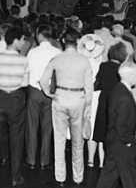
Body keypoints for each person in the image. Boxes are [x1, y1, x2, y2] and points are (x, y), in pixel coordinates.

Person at [40, 28, 93, 187]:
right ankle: (78, 178)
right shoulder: (84, 61)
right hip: (78, 99)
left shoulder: (57, 59)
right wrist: (88, 108)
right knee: (78, 142)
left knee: (59, 139)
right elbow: (89, 88)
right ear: (77, 42)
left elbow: (43, 80)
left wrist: (50, 94)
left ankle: (60, 177)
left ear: (64, 41)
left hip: (60, 98)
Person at [0, 26, 29, 187]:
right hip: (16, 98)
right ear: (15, 40)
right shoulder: (24, 60)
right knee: (16, 139)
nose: (24, 43)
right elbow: (25, 83)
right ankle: (15, 177)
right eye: (22, 40)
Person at [96, 63, 136, 188]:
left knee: (108, 177)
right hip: (122, 144)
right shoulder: (125, 96)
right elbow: (120, 124)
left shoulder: (118, 88)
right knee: (131, 178)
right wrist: (128, 142)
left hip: (114, 141)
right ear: (130, 76)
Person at [25, 25, 60, 170]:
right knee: (47, 127)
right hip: (51, 92)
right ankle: (45, 160)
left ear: (39, 35)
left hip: (34, 91)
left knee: (32, 126)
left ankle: (31, 159)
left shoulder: (32, 52)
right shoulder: (58, 52)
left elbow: (27, 71)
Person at [93, 42, 128, 167]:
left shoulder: (103, 66)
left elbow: (97, 84)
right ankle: (112, 162)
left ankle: (102, 163)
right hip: (117, 101)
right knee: (113, 132)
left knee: (102, 132)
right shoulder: (122, 69)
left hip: (103, 100)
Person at [77, 33, 105, 168]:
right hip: (97, 96)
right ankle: (99, 160)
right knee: (96, 127)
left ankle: (88, 160)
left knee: (84, 126)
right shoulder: (101, 63)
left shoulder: (81, 62)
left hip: (83, 96)